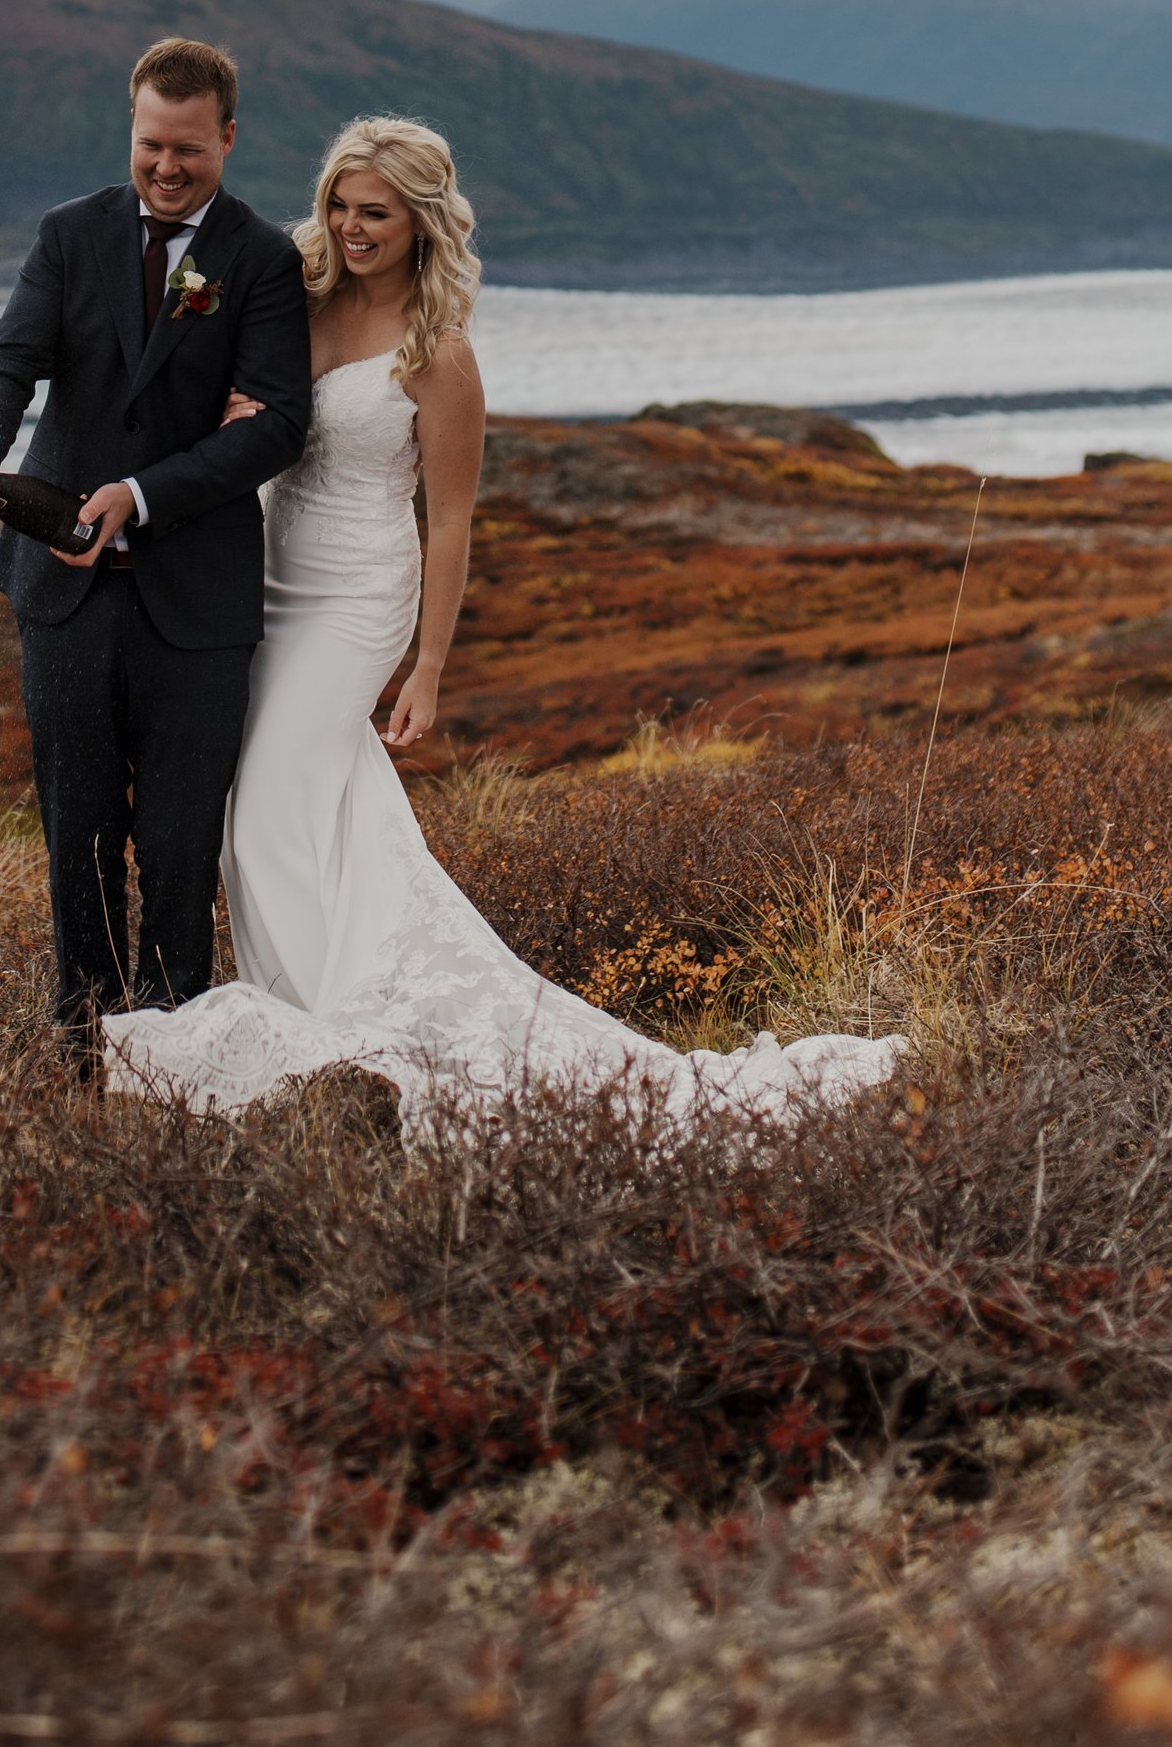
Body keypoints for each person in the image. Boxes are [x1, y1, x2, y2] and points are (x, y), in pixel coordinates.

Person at [103, 115, 905, 1128]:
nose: (352, 230)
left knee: (266, 800)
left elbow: (448, 522)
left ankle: (335, 1028)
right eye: (341, 209)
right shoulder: (293, 299)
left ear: (422, 221)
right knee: (301, 804)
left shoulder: (438, 354)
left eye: (377, 215)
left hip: (356, 594)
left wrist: (428, 664)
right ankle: (334, 1021)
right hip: (263, 572)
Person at [0, 37, 312, 1057]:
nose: (167, 167)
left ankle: (175, 1053)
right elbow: (9, 358)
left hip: (197, 607)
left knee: (181, 844)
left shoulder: (263, 259)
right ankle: (83, 1050)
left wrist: (139, 495)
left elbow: (277, 425)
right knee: (80, 838)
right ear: (131, 129)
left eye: (189, 149)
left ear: (227, 137)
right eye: (152, 144)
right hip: (62, 598)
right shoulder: (69, 235)